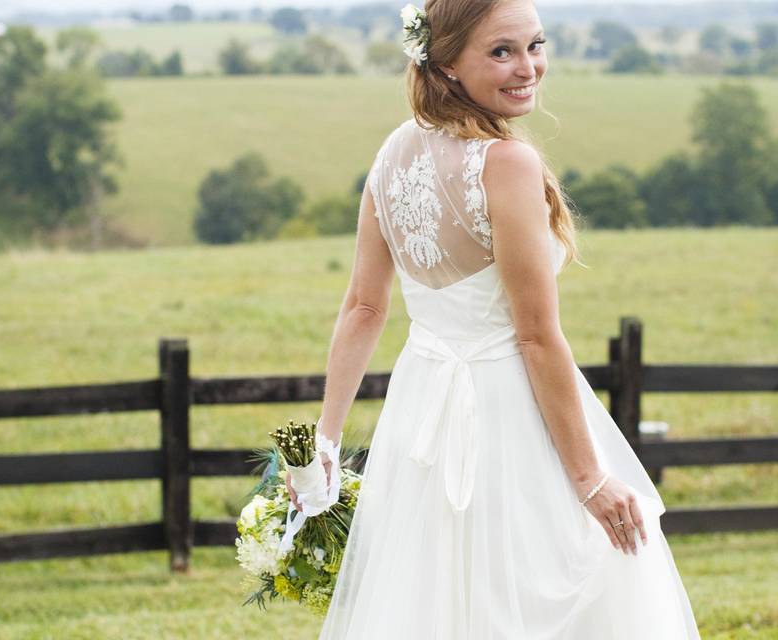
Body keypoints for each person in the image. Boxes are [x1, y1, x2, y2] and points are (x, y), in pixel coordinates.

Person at [287, 0, 702, 637]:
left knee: (435, 596)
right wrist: (590, 479)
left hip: (419, 410)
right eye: (501, 51)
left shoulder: (393, 152)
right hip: (509, 413)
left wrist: (327, 440)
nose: (528, 67)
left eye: (535, 45)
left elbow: (365, 308)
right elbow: (536, 337)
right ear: (447, 63)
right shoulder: (507, 164)